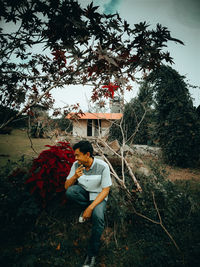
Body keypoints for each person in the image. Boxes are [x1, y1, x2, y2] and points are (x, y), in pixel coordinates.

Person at [65, 140, 112, 267]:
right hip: (85, 194)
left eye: (77, 155)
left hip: (98, 196)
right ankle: (85, 209)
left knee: (98, 218)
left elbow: (106, 190)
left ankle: (91, 254)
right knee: (70, 192)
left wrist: (91, 208)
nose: (75, 158)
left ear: (87, 154)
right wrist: (74, 177)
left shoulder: (102, 166)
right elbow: (66, 186)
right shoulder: (76, 165)